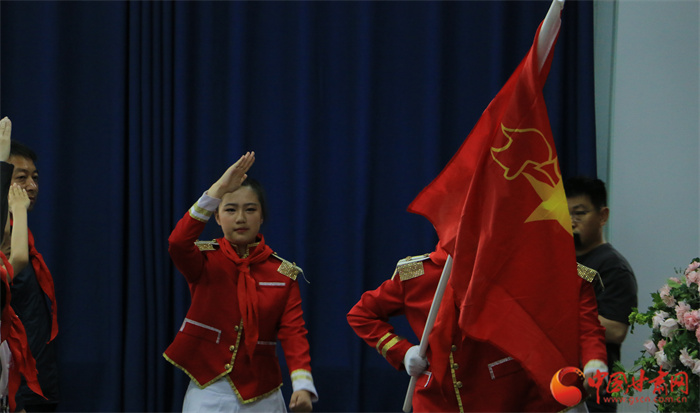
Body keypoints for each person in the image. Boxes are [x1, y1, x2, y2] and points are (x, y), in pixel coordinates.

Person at [347, 242, 607, 412]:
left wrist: (594, 361)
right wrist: (403, 352)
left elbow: (587, 327)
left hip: (508, 397)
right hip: (438, 401)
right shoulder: (418, 274)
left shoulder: (530, 270)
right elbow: (362, 314)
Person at [164, 152, 318, 412]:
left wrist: (302, 385)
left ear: (262, 216)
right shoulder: (204, 260)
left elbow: (293, 333)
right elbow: (178, 242)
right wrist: (217, 190)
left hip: (263, 392)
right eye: (230, 209)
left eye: (250, 209)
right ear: (216, 216)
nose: (240, 218)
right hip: (208, 388)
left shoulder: (283, 273)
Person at [565, 176, 638, 412]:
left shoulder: (613, 267)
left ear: (602, 216)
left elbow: (616, 330)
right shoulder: (559, 262)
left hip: (592, 394)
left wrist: (560, 317)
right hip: (558, 387)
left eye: (579, 213)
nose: (571, 221)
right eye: (565, 214)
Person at [5, 140, 59, 412]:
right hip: (14, 389)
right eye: (21, 178)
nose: (32, 186)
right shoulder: (8, 240)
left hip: (39, 381)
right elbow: (17, 261)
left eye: (35, 178)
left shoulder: (23, 235)